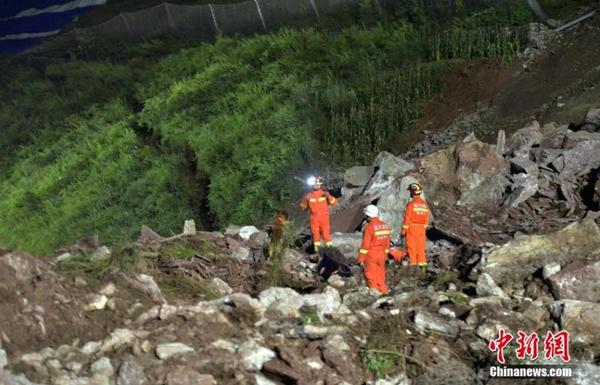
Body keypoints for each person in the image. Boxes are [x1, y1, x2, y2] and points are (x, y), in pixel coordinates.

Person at [357, 205, 393, 294]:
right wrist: (385, 254)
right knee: (380, 274)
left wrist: (361, 258)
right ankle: (384, 291)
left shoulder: (369, 227)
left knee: (371, 275)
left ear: (368, 216)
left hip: (371, 254)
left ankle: (375, 293)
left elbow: (365, 246)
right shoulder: (385, 225)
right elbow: (387, 242)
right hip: (382, 254)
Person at [300, 176, 337, 252]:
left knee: (326, 234)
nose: (316, 186)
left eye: (318, 184)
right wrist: (306, 201)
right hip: (314, 218)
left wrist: (329, 196)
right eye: (315, 184)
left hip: (324, 217)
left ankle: (330, 251)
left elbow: (334, 203)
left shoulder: (324, 194)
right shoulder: (308, 196)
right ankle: (317, 251)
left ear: (320, 185)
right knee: (315, 235)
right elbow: (302, 208)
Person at [401, 182, 430, 272]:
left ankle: (413, 267)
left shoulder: (411, 204)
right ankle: (423, 268)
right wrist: (422, 227)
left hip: (412, 228)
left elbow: (407, 219)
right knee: (421, 248)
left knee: (411, 247)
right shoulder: (424, 205)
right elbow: (426, 219)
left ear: (412, 192)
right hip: (421, 228)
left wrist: (403, 231)